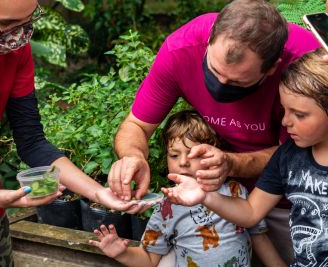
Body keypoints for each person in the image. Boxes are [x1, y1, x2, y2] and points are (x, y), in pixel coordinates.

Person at [0, 0, 141, 265]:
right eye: (5, 24)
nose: (17, 35)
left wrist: (99, 194)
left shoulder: (11, 47)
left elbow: (31, 141)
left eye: (27, 21)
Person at [107, 0, 320, 263]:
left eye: (238, 82)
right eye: (214, 70)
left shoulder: (307, 63)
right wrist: (133, 156)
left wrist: (230, 163)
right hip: (216, 196)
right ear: (209, 41)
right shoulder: (181, 49)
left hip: (289, 201)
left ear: (273, 68)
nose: (221, 85)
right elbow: (136, 125)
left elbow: (300, 154)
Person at [163, 48, 328, 266]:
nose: (286, 122)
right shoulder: (287, 157)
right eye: (284, 110)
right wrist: (205, 197)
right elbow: (250, 212)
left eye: (299, 114)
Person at [90, 110, 286, 267]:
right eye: (174, 155)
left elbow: (259, 237)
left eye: (193, 154)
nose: (183, 163)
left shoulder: (236, 192)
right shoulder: (167, 207)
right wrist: (122, 253)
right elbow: (149, 259)